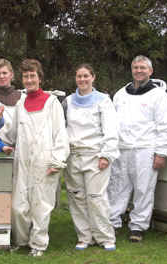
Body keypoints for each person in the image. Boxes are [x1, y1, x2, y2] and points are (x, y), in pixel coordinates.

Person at [3, 59, 70, 257]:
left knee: (41, 204)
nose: (29, 80)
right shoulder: (20, 103)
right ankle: (22, 241)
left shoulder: (52, 103)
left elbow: (60, 134)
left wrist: (57, 161)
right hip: (22, 160)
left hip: (44, 160)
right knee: (19, 205)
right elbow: (13, 133)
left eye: (33, 76)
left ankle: (38, 245)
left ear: (40, 78)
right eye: (25, 76)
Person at [107, 55, 167, 243]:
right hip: (122, 148)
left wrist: (162, 152)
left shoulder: (159, 95)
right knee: (117, 187)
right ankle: (113, 223)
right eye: (136, 67)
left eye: (143, 67)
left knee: (144, 189)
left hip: (146, 150)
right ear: (131, 70)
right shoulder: (120, 94)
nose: (139, 70)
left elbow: (166, 125)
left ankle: (137, 226)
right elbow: (113, 123)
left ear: (150, 71)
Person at [62, 63, 119, 251]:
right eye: (79, 76)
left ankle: (104, 237)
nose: (82, 79)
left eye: (86, 76)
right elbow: (62, 129)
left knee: (96, 197)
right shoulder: (68, 101)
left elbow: (111, 130)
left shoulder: (103, 101)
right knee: (77, 197)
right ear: (75, 78)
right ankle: (85, 236)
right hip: (73, 156)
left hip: (95, 156)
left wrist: (106, 155)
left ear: (93, 77)